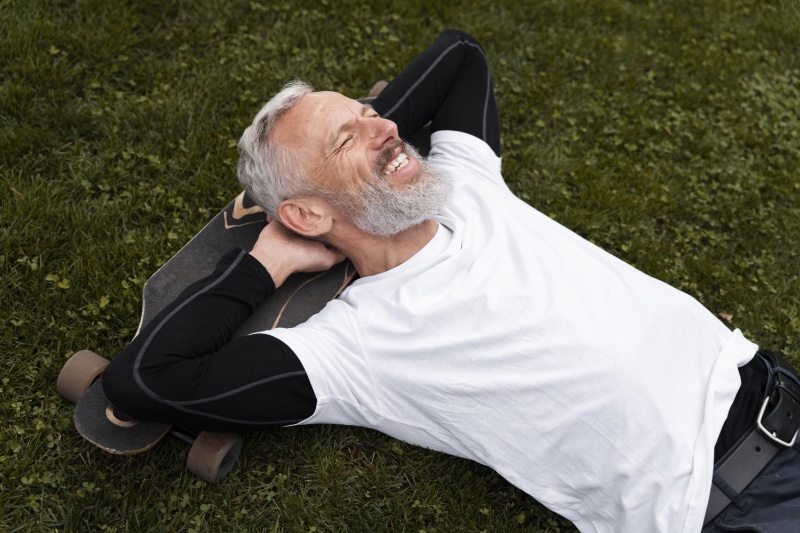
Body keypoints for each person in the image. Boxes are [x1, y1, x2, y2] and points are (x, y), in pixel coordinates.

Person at [101, 30, 800, 532]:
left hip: (774, 387)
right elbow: (148, 379)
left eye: (372, 113)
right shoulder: (357, 351)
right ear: (307, 211)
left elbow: (460, 54)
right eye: (349, 139)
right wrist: (265, 262)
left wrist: (362, 144)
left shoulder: (464, 181)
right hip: (729, 503)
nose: (388, 128)